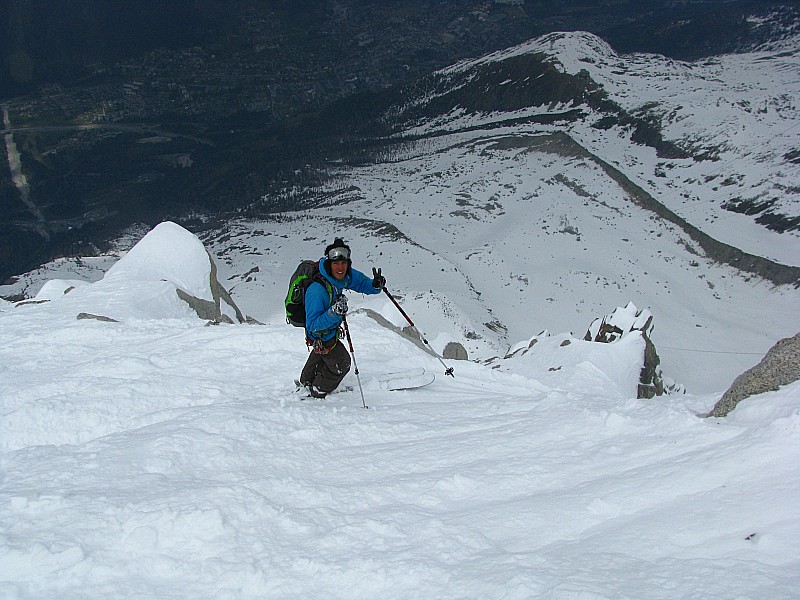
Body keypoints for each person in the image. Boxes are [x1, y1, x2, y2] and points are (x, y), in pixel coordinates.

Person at [300, 238, 386, 398]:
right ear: (329, 264)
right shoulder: (317, 291)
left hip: (329, 330)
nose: (340, 267)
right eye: (336, 263)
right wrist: (334, 312)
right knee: (342, 363)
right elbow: (312, 325)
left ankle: (306, 381)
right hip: (321, 333)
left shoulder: (341, 276)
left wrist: (374, 285)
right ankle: (318, 390)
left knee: (323, 353)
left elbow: (360, 282)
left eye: (343, 263)